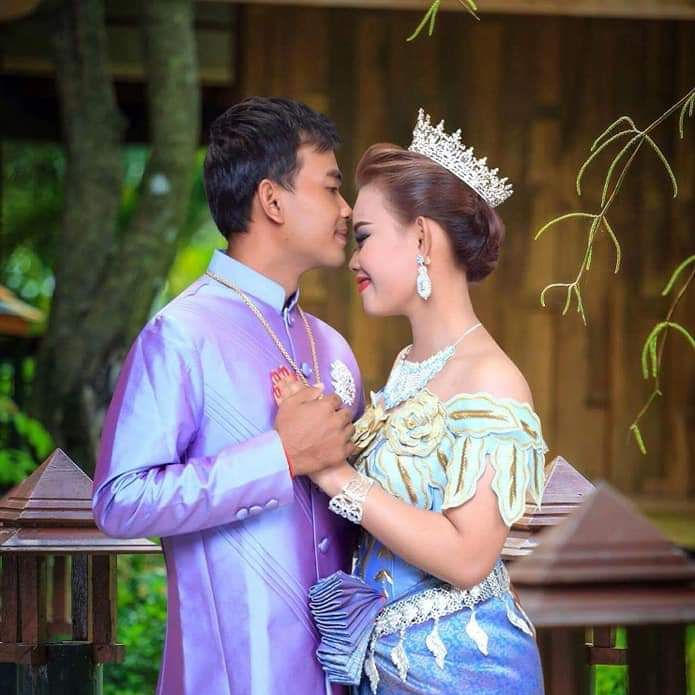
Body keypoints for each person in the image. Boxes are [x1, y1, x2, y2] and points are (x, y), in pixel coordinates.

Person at [92, 97, 364, 695]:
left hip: (339, 677)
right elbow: (120, 499)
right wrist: (279, 458)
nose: (347, 209)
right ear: (272, 200)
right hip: (230, 677)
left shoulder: (333, 347)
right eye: (330, 188)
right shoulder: (181, 334)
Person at [272, 109, 547, 694]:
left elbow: (468, 558)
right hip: (385, 670)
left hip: (464, 670)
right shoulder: (407, 366)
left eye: (365, 237)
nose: (353, 259)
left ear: (421, 238)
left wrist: (334, 474)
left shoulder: (492, 380)